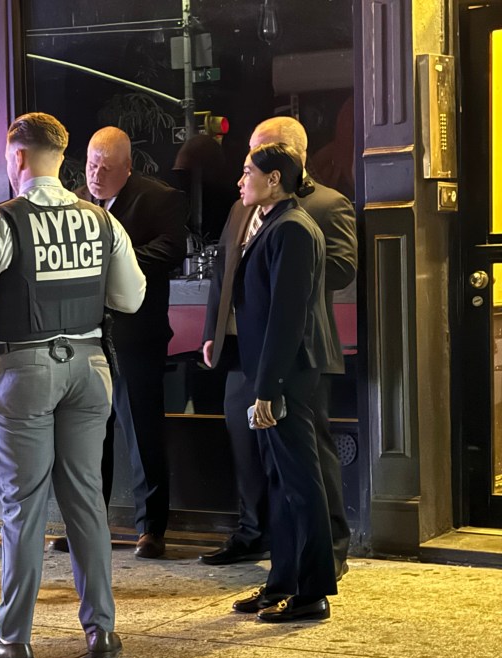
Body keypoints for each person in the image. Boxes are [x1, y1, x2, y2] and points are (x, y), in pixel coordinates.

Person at [0, 112, 146, 658]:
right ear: (66, 158)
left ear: (17, 157)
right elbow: (130, 299)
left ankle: (12, 638)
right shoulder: (101, 222)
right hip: (89, 366)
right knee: (86, 501)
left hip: (25, 371)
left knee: (22, 509)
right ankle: (101, 632)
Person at [201, 116, 357, 578]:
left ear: (286, 161)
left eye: (258, 153)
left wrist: (290, 276)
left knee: (307, 456)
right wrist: (212, 329)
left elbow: (343, 269)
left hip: (295, 349)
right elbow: (223, 271)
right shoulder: (242, 205)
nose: (245, 164)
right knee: (251, 446)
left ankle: (326, 552)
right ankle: (257, 537)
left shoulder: (323, 207)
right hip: (242, 346)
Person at [50, 127, 185, 559]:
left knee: (142, 433)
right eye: (91, 164)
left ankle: (152, 530)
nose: (96, 174)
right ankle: (88, 524)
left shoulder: (157, 198)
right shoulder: (73, 201)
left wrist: (114, 260)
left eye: (107, 167)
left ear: (128, 168)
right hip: (83, 339)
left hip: (135, 338)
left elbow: (171, 251)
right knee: (88, 438)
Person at [223, 142, 336, 622]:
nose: (240, 180)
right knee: (281, 478)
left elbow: (287, 318)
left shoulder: (292, 229)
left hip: (287, 374)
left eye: (248, 172)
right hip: (272, 372)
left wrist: (268, 387)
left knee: (301, 483)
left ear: (273, 179)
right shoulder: (274, 223)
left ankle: (312, 593)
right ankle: (280, 583)